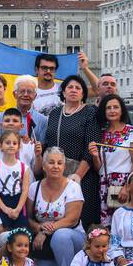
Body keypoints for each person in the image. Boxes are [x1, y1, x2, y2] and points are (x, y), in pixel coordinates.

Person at [42, 74, 101, 225]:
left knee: (80, 218)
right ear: (63, 92)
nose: (73, 90)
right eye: (70, 87)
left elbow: (91, 146)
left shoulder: (90, 112)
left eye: (78, 88)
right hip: (56, 173)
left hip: (81, 175)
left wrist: (77, 177)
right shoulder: (55, 113)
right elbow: (48, 142)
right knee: (56, 216)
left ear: (83, 93)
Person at [26, 148, 86, 266]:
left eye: (59, 163)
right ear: (43, 166)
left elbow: (71, 220)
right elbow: (28, 218)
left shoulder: (73, 187)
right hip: (44, 244)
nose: (55, 166)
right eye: (51, 162)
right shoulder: (34, 187)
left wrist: (45, 231)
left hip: (71, 238)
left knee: (61, 235)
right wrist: (38, 227)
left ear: (64, 167)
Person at [90, 93, 133, 224]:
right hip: (105, 184)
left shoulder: (131, 131)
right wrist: (95, 156)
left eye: (115, 107)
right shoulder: (101, 133)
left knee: (126, 222)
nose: (112, 110)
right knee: (108, 225)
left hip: (125, 183)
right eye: (108, 108)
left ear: (121, 110)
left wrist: (127, 187)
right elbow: (98, 168)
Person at [11, 75, 48, 140]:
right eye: (22, 91)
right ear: (15, 94)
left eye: (29, 91)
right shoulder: (1, 117)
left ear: (35, 95)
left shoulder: (43, 120)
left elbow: (43, 146)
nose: (25, 94)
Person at [31, 53, 63, 117]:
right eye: (44, 68)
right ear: (36, 70)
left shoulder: (64, 88)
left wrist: (85, 69)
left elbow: (87, 92)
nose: (48, 71)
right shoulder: (29, 92)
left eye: (52, 68)